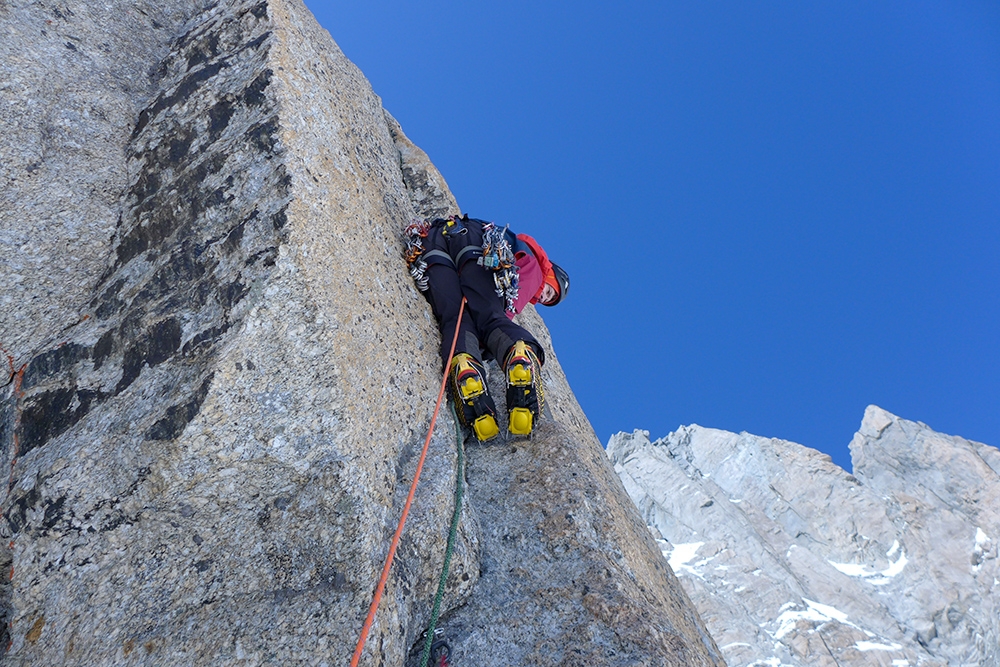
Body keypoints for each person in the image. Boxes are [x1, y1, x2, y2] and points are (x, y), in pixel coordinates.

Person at [405, 214, 569, 442]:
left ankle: (465, 366)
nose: (542, 297)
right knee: (491, 319)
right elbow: (504, 310)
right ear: (551, 274)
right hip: (474, 248)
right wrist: (489, 344)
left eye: (546, 300)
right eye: (550, 292)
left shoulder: (512, 241)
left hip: (434, 242)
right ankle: (519, 356)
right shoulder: (536, 268)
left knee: (454, 320)